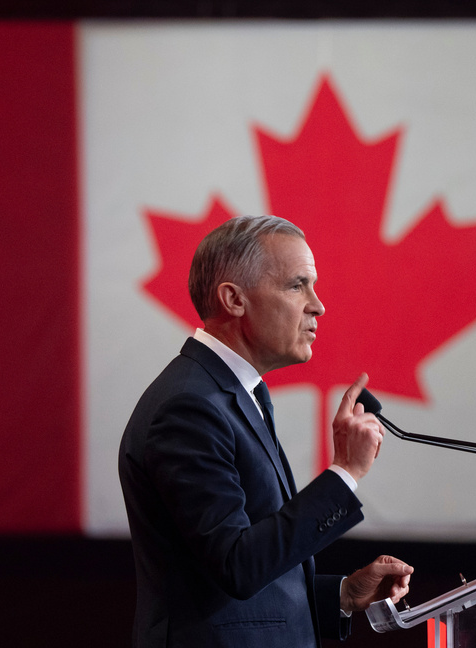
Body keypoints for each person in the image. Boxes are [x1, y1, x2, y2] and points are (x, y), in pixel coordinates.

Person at [118, 215, 413, 647]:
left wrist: (344, 595)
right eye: (297, 285)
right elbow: (236, 565)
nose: (318, 304)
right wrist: (345, 471)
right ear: (234, 299)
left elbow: (242, 580)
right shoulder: (189, 407)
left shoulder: (237, 394)